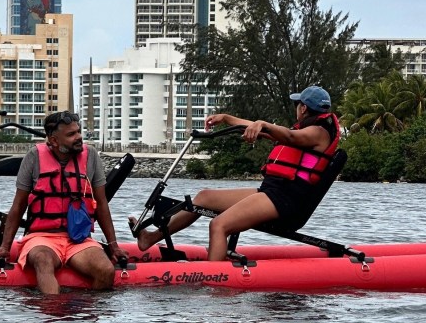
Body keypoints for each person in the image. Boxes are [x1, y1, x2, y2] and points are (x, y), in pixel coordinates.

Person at [131, 85, 339, 261]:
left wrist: (264, 124)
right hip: (271, 191)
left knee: (219, 225)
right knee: (203, 197)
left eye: (297, 105)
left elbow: (291, 137)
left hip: (284, 200)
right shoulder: (304, 129)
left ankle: (214, 284)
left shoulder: (318, 132)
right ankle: (149, 239)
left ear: (303, 108)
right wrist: (227, 118)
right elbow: (265, 130)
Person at [0, 111, 127, 294]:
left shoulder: (91, 156)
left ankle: (86, 314)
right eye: (71, 134)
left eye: (78, 132)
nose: (79, 137)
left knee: (106, 270)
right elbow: (18, 206)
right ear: (54, 141)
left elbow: (102, 204)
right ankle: (53, 312)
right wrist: (5, 247)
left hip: (79, 239)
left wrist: (114, 246)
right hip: (41, 238)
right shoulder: (34, 157)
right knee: (43, 260)